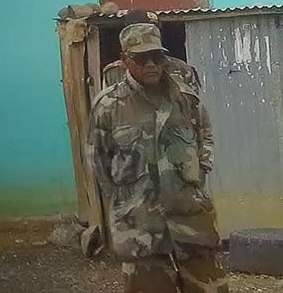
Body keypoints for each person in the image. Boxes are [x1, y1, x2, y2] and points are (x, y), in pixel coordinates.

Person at [88, 23, 226, 293]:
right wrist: (124, 201)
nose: (151, 64)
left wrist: (200, 173)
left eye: (157, 57)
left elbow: (204, 135)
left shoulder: (186, 98)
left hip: (191, 219)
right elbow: (98, 161)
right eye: (141, 58)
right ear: (125, 59)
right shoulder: (108, 105)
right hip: (140, 226)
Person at [101, 9, 201, 90]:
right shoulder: (114, 72)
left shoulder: (181, 69)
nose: (149, 37)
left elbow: (194, 109)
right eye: (142, 31)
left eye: (154, 31)